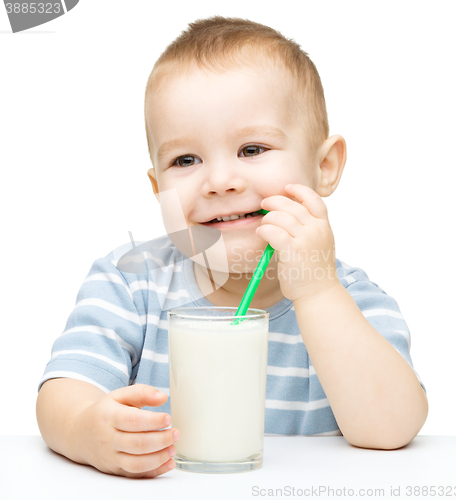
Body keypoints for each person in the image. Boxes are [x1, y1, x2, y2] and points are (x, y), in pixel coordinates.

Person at [36, 16, 428, 479]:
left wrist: (318, 293)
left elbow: (393, 428)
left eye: (252, 149)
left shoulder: (349, 298)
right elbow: (63, 391)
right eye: (185, 160)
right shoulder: (130, 282)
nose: (220, 182)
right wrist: (85, 428)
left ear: (324, 166)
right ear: (156, 186)